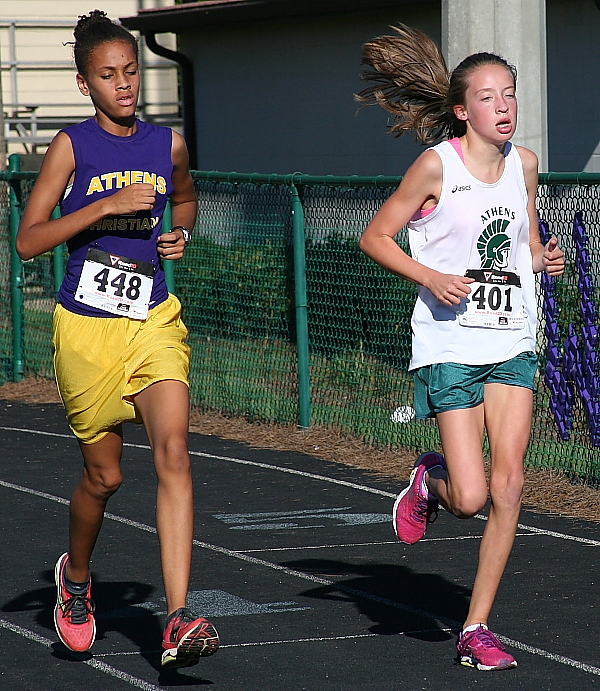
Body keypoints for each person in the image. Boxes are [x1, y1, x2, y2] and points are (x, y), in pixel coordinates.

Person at [16, 10, 219, 668]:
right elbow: (28, 239)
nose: (124, 85)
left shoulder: (170, 145)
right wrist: (101, 206)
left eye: (131, 71)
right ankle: (76, 581)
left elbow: (184, 200)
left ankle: (178, 615)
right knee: (103, 477)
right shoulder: (73, 147)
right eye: (108, 76)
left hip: (154, 319)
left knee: (175, 453)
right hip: (87, 330)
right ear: (85, 84)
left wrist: (178, 233)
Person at [358, 25, 564, 671]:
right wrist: (431, 276)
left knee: (510, 486)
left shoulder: (524, 165)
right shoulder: (436, 166)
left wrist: (542, 257)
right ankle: (432, 478)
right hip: (450, 341)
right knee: (471, 496)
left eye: (510, 94)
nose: (503, 106)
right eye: (489, 96)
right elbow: (377, 237)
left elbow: (522, 242)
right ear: (462, 110)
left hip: (510, 342)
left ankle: (476, 627)